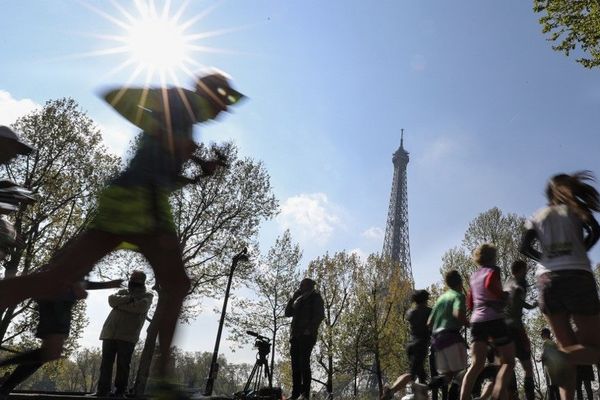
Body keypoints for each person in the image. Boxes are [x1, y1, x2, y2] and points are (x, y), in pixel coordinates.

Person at [0, 72, 245, 390]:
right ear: (212, 93)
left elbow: (163, 171)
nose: (226, 110)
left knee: (53, 280)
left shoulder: (186, 121)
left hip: (129, 198)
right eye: (225, 100)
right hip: (142, 201)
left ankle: (163, 378)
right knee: (177, 283)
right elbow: (115, 95)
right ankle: (163, 380)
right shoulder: (184, 102)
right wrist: (167, 134)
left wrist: (197, 171)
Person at [521, 172, 600, 400]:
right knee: (593, 350)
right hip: (577, 275)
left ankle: (560, 358)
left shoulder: (538, 215)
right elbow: (596, 231)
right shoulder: (575, 209)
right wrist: (581, 249)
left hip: (546, 281)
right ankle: (562, 357)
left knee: (568, 351)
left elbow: (524, 247)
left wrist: (546, 260)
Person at [0, 279, 121, 397]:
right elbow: (66, 275)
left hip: (60, 302)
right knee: (49, 353)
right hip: (56, 301)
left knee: (49, 353)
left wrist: (106, 284)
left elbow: (80, 281)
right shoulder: (75, 263)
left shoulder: (79, 267)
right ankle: (5, 386)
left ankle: (5, 387)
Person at [460, 244, 515, 400]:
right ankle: (497, 392)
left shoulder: (473, 276)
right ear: (492, 256)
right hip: (494, 319)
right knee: (508, 362)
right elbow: (490, 284)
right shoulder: (493, 270)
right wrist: (504, 296)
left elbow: (470, 303)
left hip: (477, 321)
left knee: (476, 365)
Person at [95, 270, 153, 397]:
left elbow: (140, 307)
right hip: (109, 333)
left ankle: (120, 391)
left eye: (135, 278)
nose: (131, 280)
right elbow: (111, 300)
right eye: (131, 277)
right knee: (105, 364)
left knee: (123, 365)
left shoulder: (147, 295)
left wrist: (119, 305)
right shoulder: (123, 292)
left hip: (127, 335)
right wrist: (129, 299)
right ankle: (102, 391)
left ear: (142, 281)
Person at [426, 270, 469, 400]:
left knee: (447, 376)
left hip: (437, 341)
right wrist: (470, 324)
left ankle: (424, 387)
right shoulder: (458, 295)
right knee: (463, 373)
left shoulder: (440, 299)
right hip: (451, 337)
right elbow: (458, 314)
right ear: (460, 282)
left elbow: (429, 323)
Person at [381, 290, 431, 400]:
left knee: (421, 376)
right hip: (420, 345)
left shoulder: (410, 313)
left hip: (410, 345)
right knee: (413, 375)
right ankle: (391, 391)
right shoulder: (428, 311)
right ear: (425, 300)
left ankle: (423, 397)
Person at [284, 278, 325, 400]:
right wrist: (293, 298)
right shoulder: (299, 299)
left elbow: (319, 316)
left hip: (307, 336)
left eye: (303, 285)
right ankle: (295, 393)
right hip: (295, 336)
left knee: (304, 363)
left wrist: (309, 329)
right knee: (295, 365)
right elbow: (287, 313)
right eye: (301, 285)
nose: (301, 287)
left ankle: (305, 394)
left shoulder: (316, 298)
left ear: (310, 286)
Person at [503, 260, 537, 400]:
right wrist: (533, 304)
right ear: (521, 269)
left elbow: (513, 300)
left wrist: (531, 305)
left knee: (508, 366)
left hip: (503, 330)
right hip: (515, 328)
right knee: (528, 368)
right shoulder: (520, 283)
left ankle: (512, 396)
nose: (527, 272)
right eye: (526, 270)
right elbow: (516, 299)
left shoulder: (507, 281)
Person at [541, 328, 561, 400]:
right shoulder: (554, 344)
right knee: (556, 389)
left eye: (542, 334)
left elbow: (545, 355)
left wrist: (541, 358)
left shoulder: (546, 343)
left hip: (550, 369)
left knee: (551, 389)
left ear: (546, 334)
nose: (541, 335)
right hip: (554, 369)